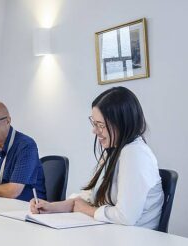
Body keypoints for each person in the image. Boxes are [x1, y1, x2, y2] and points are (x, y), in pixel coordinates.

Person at [30, 87, 164, 229]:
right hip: (114, 233)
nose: (95, 131)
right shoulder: (113, 150)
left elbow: (125, 217)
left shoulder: (136, 154)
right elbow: (89, 196)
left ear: (122, 123)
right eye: (94, 123)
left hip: (136, 240)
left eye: (100, 125)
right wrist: (51, 207)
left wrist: (86, 210)